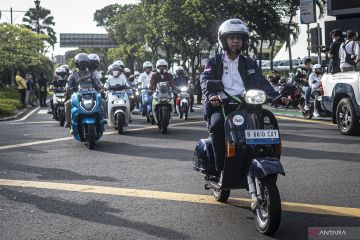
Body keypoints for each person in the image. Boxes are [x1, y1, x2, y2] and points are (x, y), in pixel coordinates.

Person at [201, 18, 288, 176]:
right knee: (218, 125)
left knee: (264, 125)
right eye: (231, 38)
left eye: (239, 38)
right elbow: (205, 80)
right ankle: (219, 168)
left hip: (247, 105)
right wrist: (212, 94)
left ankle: (264, 157)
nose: (235, 41)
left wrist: (277, 96)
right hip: (221, 105)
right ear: (223, 40)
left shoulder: (250, 62)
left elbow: (262, 82)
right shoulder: (214, 62)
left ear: (244, 41)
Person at [64, 53, 105, 128]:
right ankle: (69, 122)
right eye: (81, 63)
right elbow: (68, 84)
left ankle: (103, 119)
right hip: (77, 95)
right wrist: (67, 88)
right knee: (67, 104)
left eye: (85, 63)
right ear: (77, 64)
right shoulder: (73, 75)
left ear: (88, 64)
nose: (83, 65)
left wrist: (100, 86)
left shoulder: (92, 74)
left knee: (103, 102)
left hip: (92, 94)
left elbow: (97, 82)